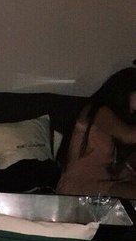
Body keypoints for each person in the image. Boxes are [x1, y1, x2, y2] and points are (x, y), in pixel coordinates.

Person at [56, 64, 136, 199]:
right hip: (81, 184)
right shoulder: (96, 111)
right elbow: (128, 136)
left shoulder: (127, 120)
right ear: (123, 92)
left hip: (114, 183)